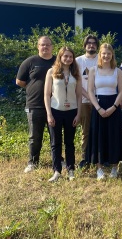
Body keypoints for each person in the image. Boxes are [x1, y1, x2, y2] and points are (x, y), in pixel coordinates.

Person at [85, 43, 122, 180]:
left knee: (114, 135)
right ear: (100, 55)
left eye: (108, 53)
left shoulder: (118, 71)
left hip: (113, 106)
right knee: (98, 136)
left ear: (112, 55)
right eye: (103, 53)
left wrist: (114, 107)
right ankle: (99, 169)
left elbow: (121, 91)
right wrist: (98, 108)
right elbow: (90, 91)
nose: (106, 56)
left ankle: (115, 167)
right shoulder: (93, 70)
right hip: (98, 106)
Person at [16, 36, 56, 173]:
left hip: (55, 105)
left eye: (48, 45)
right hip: (35, 105)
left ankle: (58, 161)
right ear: (38, 46)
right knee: (34, 136)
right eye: (42, 45)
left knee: (55, 136)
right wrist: (32, 88)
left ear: (52, 46)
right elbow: (19, 81)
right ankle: (33, 162)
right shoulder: (30, 62)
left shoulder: (58, 61)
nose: (45, 47)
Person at [44, 47, 82, 182]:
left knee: (70, 142)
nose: (68, 59)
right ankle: (57, 171)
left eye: (70, 57)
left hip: (71, 111)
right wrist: (49, 114)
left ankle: (71, 169)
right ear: (60, 57)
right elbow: (47, 95)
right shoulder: (51, 72)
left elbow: (78, 96)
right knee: (55, 142)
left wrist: (78, 114)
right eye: (65, 56)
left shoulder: (76, 73)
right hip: (55, 111)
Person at [75, 35, 99, 167]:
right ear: (85, 45)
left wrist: (95, 99)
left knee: (99, 129)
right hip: (83, 101)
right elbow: (77, 82)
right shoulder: (78, 61)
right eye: (89, 43)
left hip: (100, 101)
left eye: (94, 43)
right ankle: (85, 158)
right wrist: (89, 97)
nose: (91, 45)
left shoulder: (101, 59)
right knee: (86, 130)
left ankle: (99, 157)